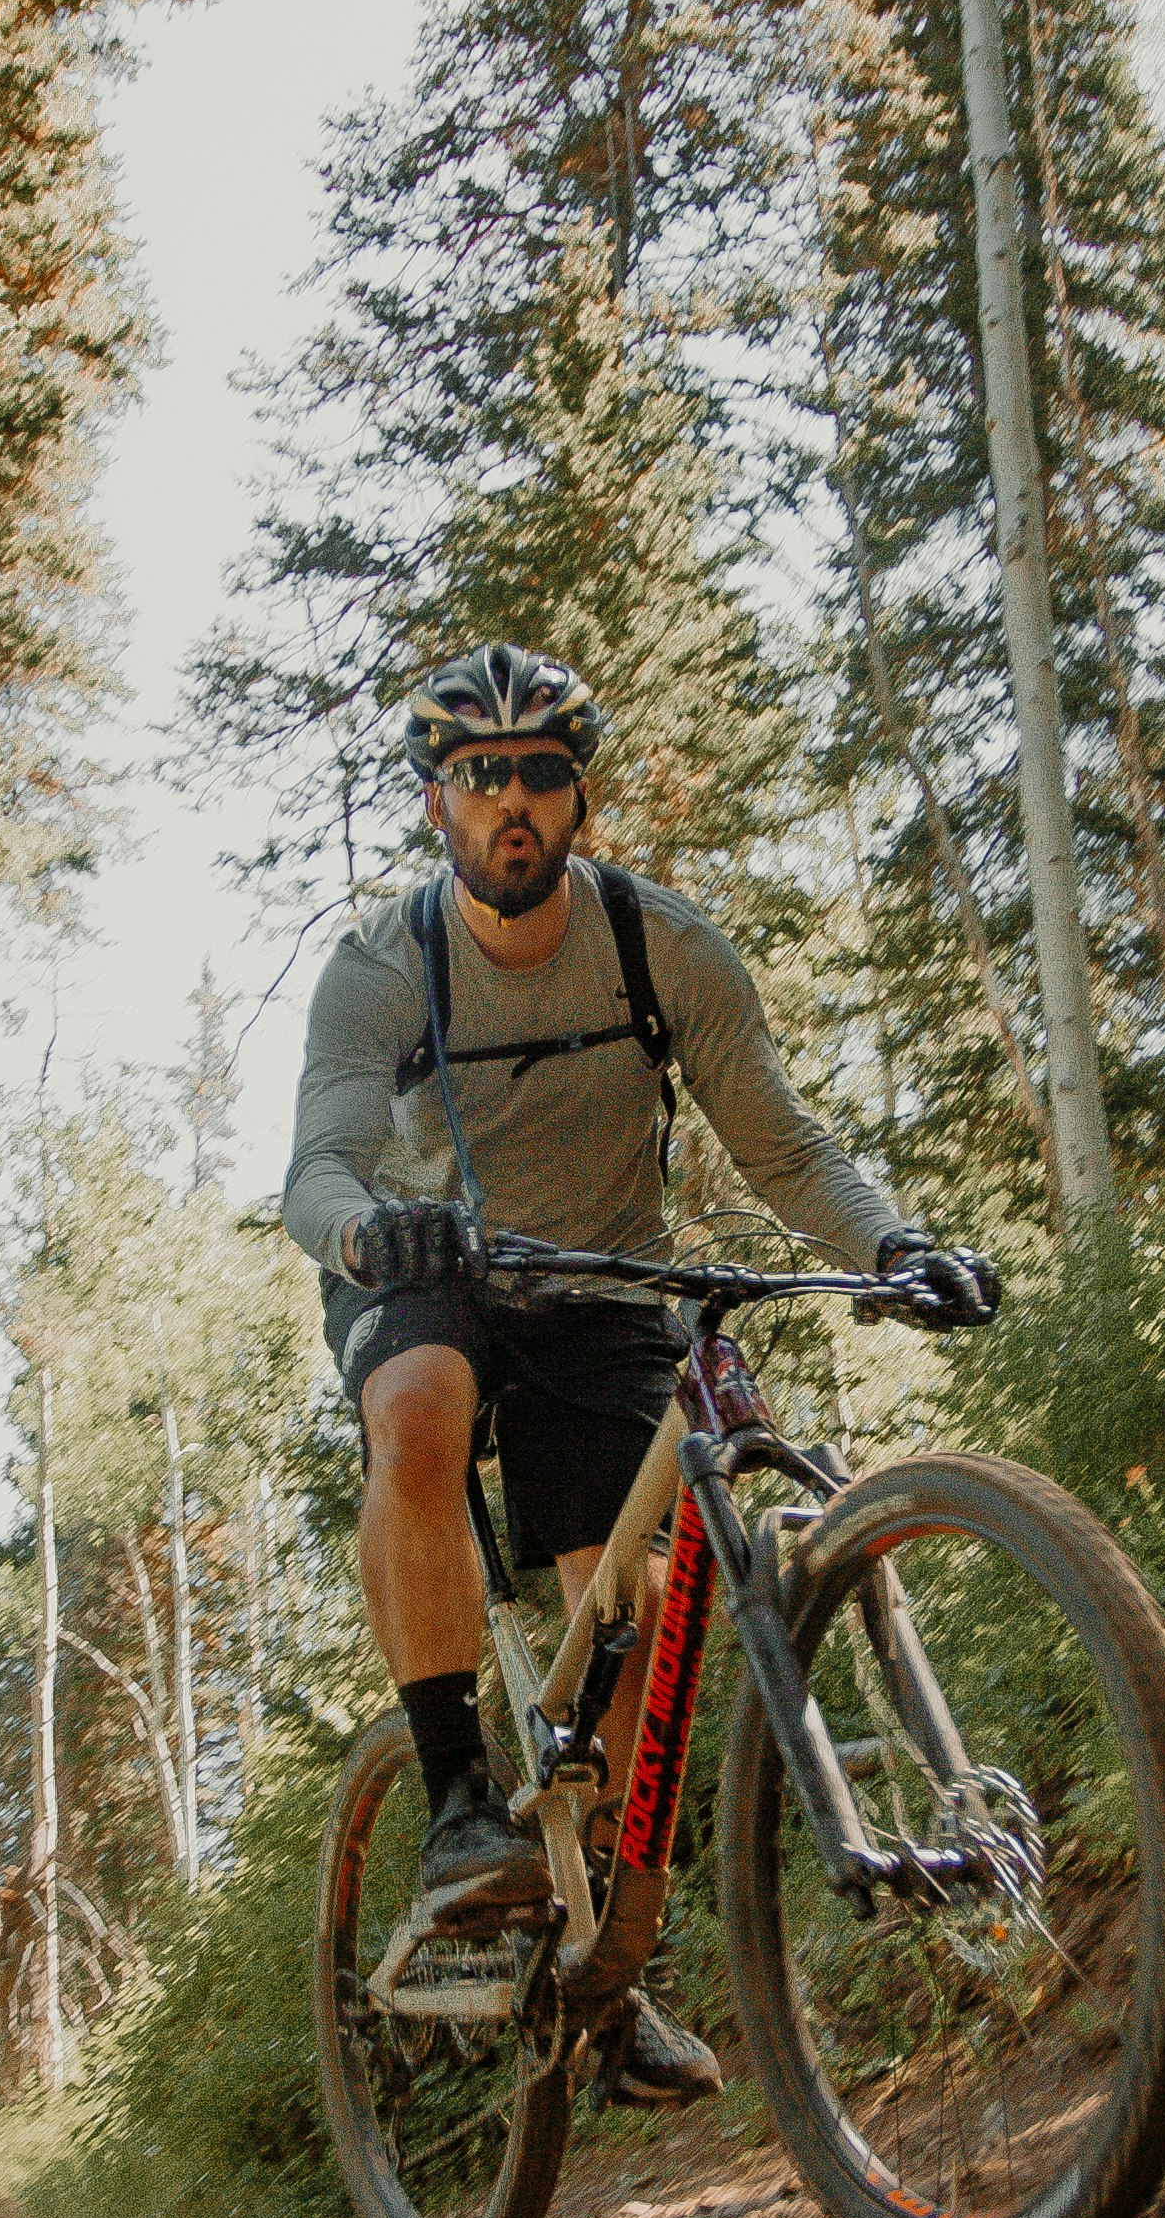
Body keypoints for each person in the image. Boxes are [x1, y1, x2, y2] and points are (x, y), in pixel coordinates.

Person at [280, 642, 999, 2103]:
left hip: (609, 1283)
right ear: (439, 809)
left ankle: (620, 1965)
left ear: (581, 799)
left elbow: (784, 1145)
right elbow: (317, 1168)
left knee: (643, 1602)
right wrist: (369, 1228)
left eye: (541, 774)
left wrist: (897, 1242)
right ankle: (458, 1799)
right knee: (418, 1407)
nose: (513, 804)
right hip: (431, 1275)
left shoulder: (662, 947)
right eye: (481, 779)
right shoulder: (378, 969)